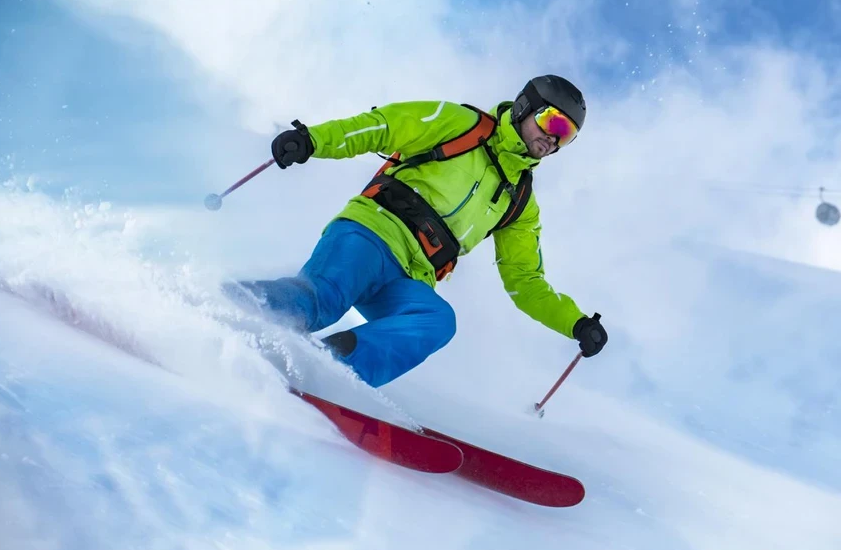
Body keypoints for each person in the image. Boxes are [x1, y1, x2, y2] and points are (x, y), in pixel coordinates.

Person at [228, 74, 608, 387]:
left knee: (436, 321)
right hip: (372, 233)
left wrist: (573, 322)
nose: (554, 139)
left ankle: (330, 374)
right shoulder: (463, 125)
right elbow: (385, 126)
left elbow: (525, 281)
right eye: (553, 123)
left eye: (567, 135)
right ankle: (228, 307)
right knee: (323, 300)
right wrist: (313, 140)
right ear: (526, 107)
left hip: (413, 275)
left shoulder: (520, 201)